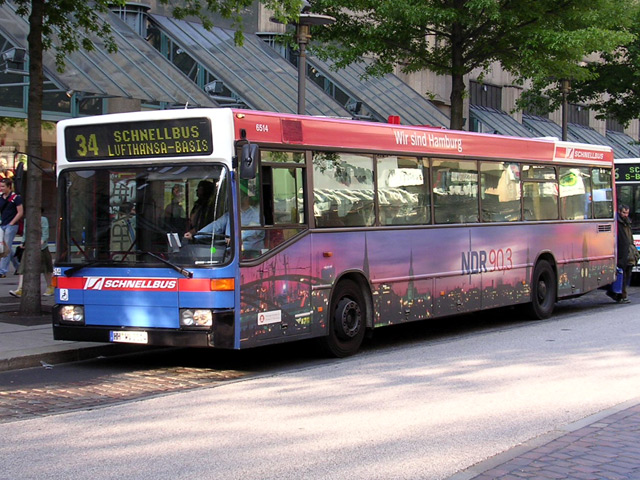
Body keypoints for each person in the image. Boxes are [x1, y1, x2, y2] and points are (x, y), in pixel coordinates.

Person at [184, 194, 264, 252]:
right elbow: (216, 226)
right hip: (231, 252)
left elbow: (253, 230)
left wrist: (235, 237)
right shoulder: (231, 214)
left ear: (246, 198)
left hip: (251, 254)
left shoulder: (256, 214)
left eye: (240, 196)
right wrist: (196, 235)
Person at [9, 211, 53, 297]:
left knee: (46, 268)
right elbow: (25, 233)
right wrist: (22, 242)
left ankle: (50, 286)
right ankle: (20, 288)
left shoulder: (43, 219)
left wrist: (42, 242)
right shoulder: (27, 220)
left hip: (41, 247)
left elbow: (45, 233)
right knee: (23, 267)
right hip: (29, 246)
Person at [607, 204, 633, 303]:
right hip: (621, 252)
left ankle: (619, 294)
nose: (625, 215)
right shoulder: (617, 223)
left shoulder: (627, 222)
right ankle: (621, 295)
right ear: (619, 211)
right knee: (622, 274)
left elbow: (629, 238)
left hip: (627, 251)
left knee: (626, 274)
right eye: (624, 212)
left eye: (627, 213)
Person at [0, 177, 23, 278]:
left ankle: (2, 271)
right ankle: (18, 266)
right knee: (7, 248)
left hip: (11, 225)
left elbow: (20, 212)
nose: (1, 188)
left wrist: (12, 223)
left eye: (3, 186)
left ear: (9, 187)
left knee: (6, 247)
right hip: (3, 224)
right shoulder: (1, 197)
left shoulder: (16, 198)